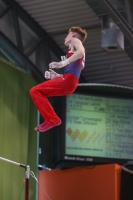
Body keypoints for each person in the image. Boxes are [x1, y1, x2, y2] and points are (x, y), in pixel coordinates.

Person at [30, 26, 87, 132]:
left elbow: (81, 51)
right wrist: (56, 76)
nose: (65, 38)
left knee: (35, 90)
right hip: (70, 82)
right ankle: (49, 119)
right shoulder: (71, 53)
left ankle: (53, 119)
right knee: (39, 93)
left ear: (73, 35)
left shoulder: (76, 41)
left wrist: (62, 63)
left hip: (69, 81)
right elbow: (74, 72)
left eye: (67, 35)